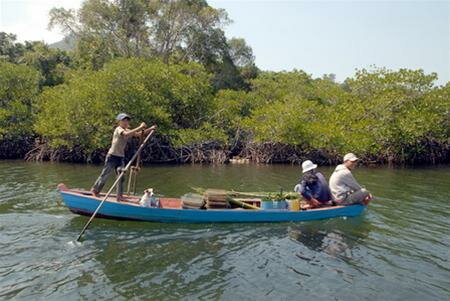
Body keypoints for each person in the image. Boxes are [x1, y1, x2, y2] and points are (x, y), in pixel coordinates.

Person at [91, 113, 156, 201]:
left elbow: (138, 134)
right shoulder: (119, 129)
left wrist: (150, 129)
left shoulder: (128, 130)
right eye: (123, 120)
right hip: (112, 156)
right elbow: (126, 134)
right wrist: (140, 127)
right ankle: (95, 190)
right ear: (119, 122)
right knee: (105, 175)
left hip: (120, 157)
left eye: (127, 120)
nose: (126, 122)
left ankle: (119, 196)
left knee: (121, 177)